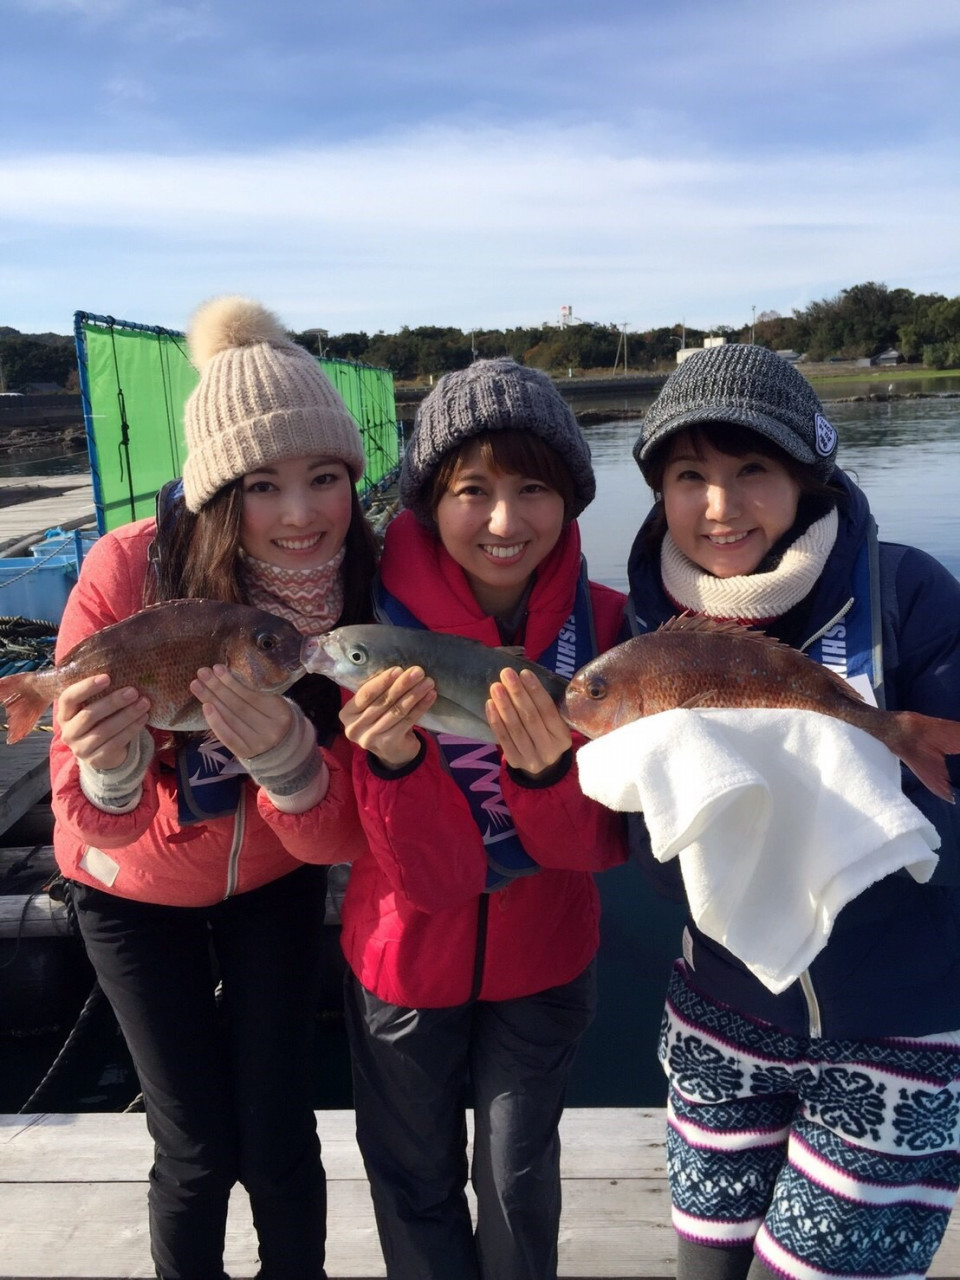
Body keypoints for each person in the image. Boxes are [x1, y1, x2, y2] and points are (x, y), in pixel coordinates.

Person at [50, 296, 377, 1280]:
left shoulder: (359, 596)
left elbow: (346, 832)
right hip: (128, 892)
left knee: (278, 1134)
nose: (300, 512)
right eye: (260, 483)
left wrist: (289, 764)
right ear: (209, 492)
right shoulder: (122, 572)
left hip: (272, 878)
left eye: (326, 477)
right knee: (193, 1147)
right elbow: (80, 803)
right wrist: (111, 766)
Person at [625, 342, 960, 1280]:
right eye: (689, 476)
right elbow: (648, 856)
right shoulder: (643, 641)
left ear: (808, 478)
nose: (719, 506)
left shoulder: (909, 595)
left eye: (752, 471)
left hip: (900, 1031)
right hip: (720, 1022)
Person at [335, 357, 629, 1280]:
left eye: (533, 487)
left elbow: (605, 845)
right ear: (429, 499)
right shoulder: (359, 632)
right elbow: (392, 859)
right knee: (411, 1177)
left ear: (571, 498)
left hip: (545, 961)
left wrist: (546, 774)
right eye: (472, 490)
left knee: (517, 1179)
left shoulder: (615, 633)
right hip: (401, 955)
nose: (505, 522)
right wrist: (396, 759)